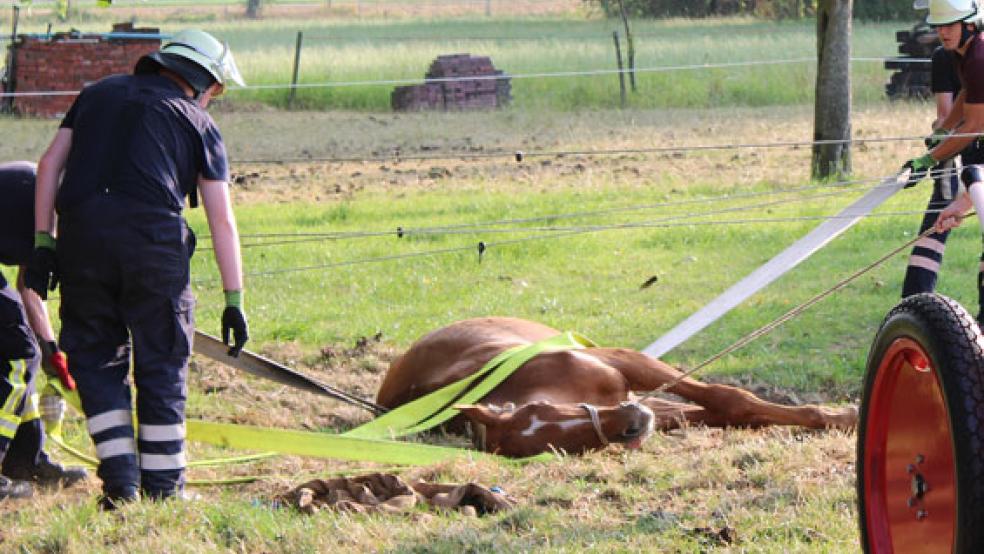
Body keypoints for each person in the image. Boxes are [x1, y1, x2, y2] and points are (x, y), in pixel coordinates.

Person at [26, 29, 250, 509]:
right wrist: (234, 300)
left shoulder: (95, 95)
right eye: (216, 91)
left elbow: (48, 166)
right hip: (153, 246)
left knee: (95, 359)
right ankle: (166, 492)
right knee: (161, 360)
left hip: (82, 242)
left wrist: (44, 243)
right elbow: (222, 221)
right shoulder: (198, 121)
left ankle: (121, 486)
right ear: (204, 81)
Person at [0, 161, 88, 499]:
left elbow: (29, 287)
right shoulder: (49, 204)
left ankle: (25, 460)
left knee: (26, 352)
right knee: (18, 354)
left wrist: (51, 349)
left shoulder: (43, 197)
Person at [902, 0, 984, 320]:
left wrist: (927, 160)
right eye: (938, 26)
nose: (942, 33)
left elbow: (976, 127)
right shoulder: (962, 55)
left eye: (949, 26)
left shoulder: (978, 57)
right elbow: (967, 98)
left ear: (969, 25)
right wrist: (943, 132)